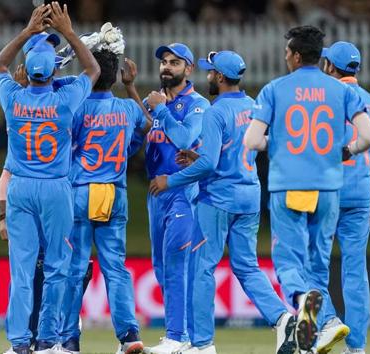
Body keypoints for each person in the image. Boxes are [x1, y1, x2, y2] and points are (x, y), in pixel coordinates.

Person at [149, 50, 297, 354]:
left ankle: (202, 345)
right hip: (250, 196)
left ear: (218, 76)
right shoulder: (252, 105)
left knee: (202, 269)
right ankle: (282, 318)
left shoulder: (216, 111)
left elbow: (207, 167)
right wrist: (200, 157)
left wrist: (170, 180)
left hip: (217, 198)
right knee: (247, 267)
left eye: (210, 72)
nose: (208, 76)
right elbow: (241, 151)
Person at [244, 25, 370, 352]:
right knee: (318, 264)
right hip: (329, 189)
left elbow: (251, 141)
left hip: (289, 187)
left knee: (288, 263)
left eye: (288, 50)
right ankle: (311, 333)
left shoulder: (275, 89)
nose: (285, 55)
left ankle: (322, 319)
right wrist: (348, 150)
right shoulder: (342, 92)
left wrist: (277, 142)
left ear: (297, 55)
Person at [0, 2, 100, 353]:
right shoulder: (66, 99)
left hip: (20, 187)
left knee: (21, 271)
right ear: (53, 71)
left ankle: (20, 343)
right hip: (56, 188)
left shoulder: (12, 97)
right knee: (56, 267)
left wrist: (27, 31)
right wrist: (69, 32)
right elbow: (93, 69)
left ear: (28, 71)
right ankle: (48, 340)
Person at [59, 24, 151, 354]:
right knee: (116, 268)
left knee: (75, 269)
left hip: (81, 190)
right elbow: (147, 128)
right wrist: (133, 88)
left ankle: (69, 339)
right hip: (114, 192)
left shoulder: (77, 107)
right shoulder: (127, 110)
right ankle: (129, 336)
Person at [314, 41, 370, 354]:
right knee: (355, 272)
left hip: (326, 192)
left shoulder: (324, 100)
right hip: (360, 196)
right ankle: (357, 347)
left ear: (330, 66)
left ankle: (328, 322)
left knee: (311, 263)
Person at [142, 42, 210, 354]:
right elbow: (138, 139)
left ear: (188, 69)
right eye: (164, 62)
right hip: (156, 196)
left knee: (176, 264)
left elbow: (184, 138)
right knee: (160, 266)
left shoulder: (198, 105)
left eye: (174, 62)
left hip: (183, 193)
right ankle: (185, 337)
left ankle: (177, 336)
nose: (167, 67)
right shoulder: (154, 102)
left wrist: (160, 110)